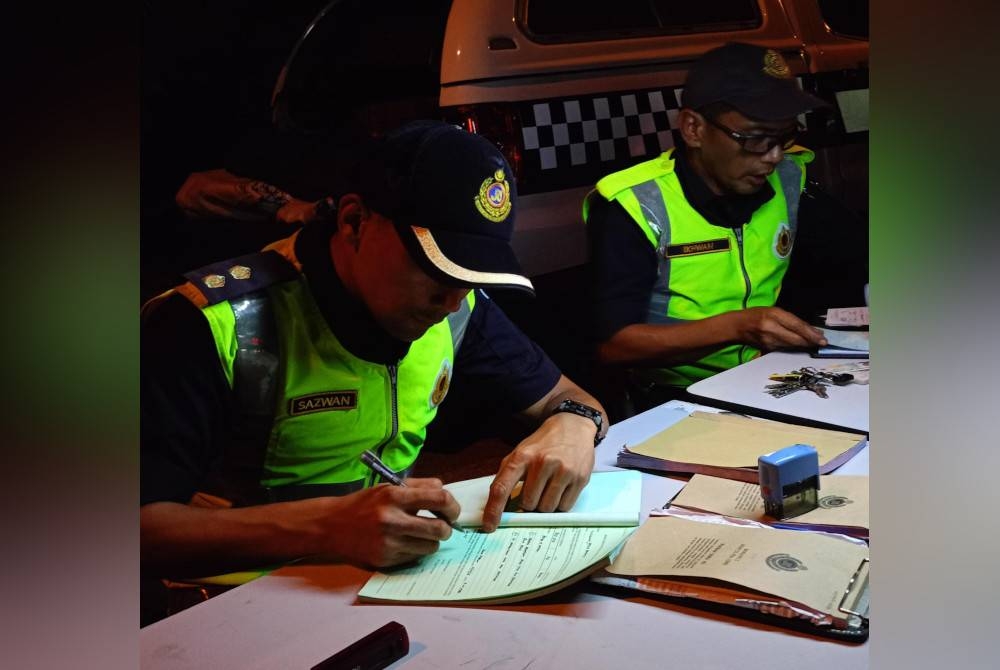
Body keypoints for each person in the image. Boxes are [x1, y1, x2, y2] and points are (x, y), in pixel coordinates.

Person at [141, 121, 609, 582]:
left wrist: (572, 424)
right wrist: (327, 527)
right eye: (435, 267)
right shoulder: (213, 323)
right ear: (354, 222)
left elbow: (571, 398)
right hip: (228, 611)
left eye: (470, 275)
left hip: (381, 584)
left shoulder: (458, 307)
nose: (451, 300)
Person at [584, 42, 841, 413]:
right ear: (693, 129)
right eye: (755, 139)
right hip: (673, 399)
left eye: (784, 136)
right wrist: (740, 327)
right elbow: (613, 345)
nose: (774, 156)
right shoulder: (633, 205)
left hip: (770, 379)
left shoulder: (788, 176)